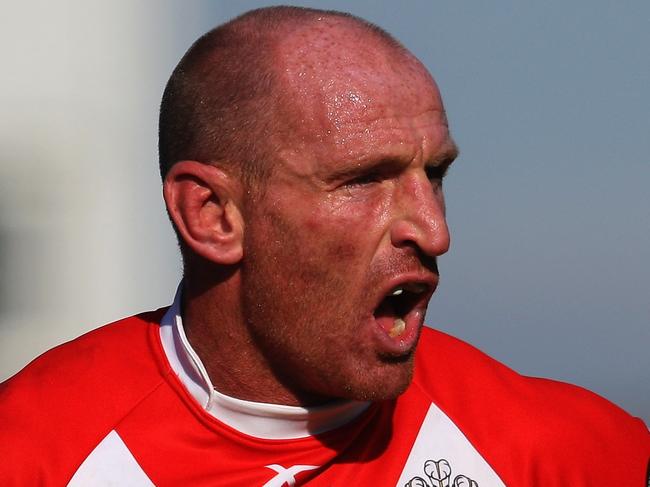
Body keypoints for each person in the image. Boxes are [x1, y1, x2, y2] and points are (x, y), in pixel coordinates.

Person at [1, 6, 648, 486]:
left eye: (435, 175)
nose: (434, 230)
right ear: (212, 215)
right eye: (364, 180)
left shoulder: (570, 456)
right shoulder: (33, 453)